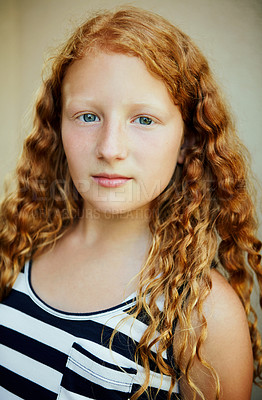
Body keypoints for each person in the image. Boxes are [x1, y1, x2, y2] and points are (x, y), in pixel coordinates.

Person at [0, 6, 261, 400]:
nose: (110, 149)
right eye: (87, 116)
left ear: (187, 140)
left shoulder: (203, 315)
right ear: (58, 126)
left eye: (144, 120)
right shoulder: (15, 248)